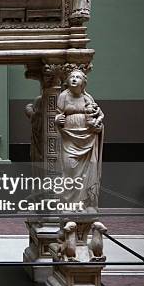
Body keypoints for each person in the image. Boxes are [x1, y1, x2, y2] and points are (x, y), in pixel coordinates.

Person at [55, 69, 104, 212]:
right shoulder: (63, 96)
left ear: (83, 83)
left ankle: (84, 203)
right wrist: (58, 119)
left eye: (78, 77)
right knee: (69, 169)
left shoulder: (88, 98)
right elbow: (56, 115)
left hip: (87, 139)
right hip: (68, 138)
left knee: (87, 171)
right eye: (72, 77)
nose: (74, 79)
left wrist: (98, 123)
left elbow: (98, 114)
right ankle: (68, 203)